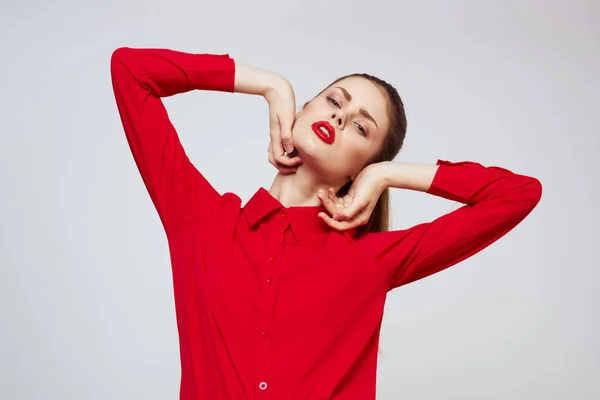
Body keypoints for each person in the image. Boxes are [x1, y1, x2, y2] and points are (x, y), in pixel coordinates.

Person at [110, 47, 542, 400]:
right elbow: (132, 71)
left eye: (360, 127)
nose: (338, 117)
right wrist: (268, 84)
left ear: (362, 166)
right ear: (304, 108)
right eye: (335, 100)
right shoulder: (201, 220)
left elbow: (518, 194)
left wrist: (389, 174)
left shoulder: (373, 258)